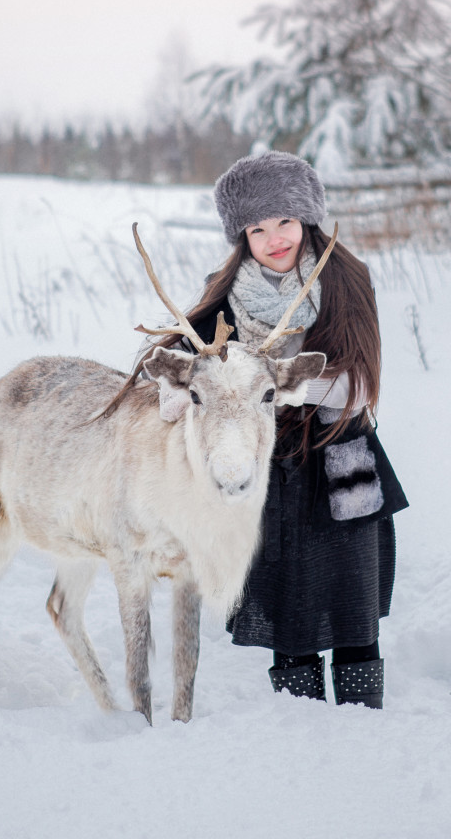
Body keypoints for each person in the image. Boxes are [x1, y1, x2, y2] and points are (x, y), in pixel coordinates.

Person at [140, 150, 408, 707]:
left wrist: (273, 383)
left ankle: (363, 726)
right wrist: (184, 391)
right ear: (242, 234)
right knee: (291, 613)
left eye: (284, 220)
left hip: (341, 464)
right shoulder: (227, 289)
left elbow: (357, 387)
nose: (274, 238)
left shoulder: (345, 279)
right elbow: (179, 364)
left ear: (306, 216)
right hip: (271, 470)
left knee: (353, 612)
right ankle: (301, 727)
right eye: (257, 228)